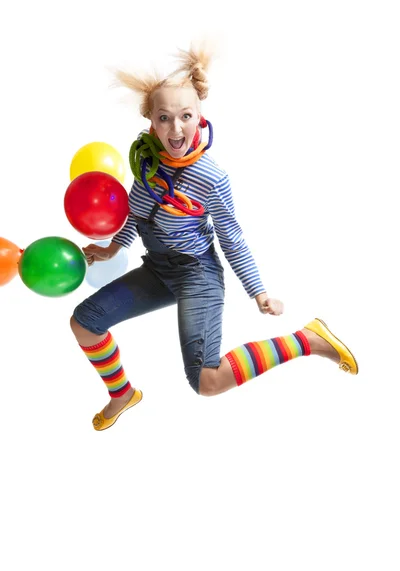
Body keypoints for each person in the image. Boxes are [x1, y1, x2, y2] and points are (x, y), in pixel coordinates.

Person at [70, 43, 358, 431]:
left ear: (199, 116)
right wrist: (111, 248)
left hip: (196, 274)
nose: (176, 129)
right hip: (158, 269)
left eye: (185, 117)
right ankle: (122, 394)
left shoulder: (211, 178)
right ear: (151, 122)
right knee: (85, 322)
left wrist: (259, 292)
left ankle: (308, 339)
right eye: (165, 118)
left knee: (207, 381)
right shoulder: (145, 164)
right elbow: (137, 213)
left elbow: (232, 238)